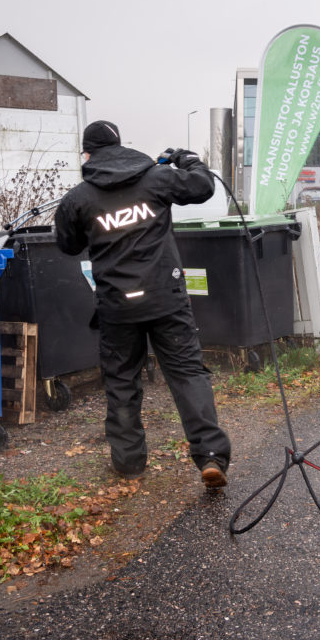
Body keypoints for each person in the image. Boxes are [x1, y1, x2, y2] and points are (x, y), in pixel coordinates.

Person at [55, 120, 231, 488]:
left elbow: (68, 245)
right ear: (121, 146)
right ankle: (211, 457)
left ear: (87, 154)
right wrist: (188, 159)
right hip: (165, 298)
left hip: (117, 306)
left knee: (121, 381)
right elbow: (203, 186)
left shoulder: (78, 198)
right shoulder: (156, 178)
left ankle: (129, 463)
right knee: (186, 374)